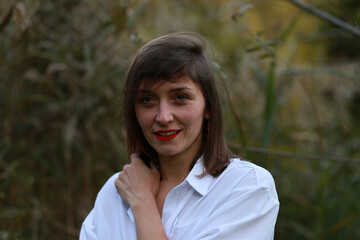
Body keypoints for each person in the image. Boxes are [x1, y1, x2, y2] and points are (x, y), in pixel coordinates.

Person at [80, 32, 279, 240]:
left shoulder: (246, 187)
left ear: (208, 107)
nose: (163, 117)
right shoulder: (116, 191)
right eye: (148, 99)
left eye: (180, 97)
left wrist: (142, 201)